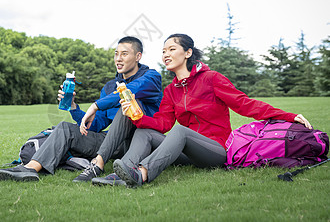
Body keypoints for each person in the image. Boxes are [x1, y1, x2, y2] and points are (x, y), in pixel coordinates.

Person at [112, 33, 312, 187]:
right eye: (164, 51)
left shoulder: (212, 79)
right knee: (144, 131)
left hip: (216, 151)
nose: (166, 54)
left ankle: (143, 173)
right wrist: (136, 116)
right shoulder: (171, 90)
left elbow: (245, 104)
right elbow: (163, 124)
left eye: (172, 49)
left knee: (181, 131)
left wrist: (290, 116)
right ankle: (123, 173)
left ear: (188, 52)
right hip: (186, 152)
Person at [0, 36, 162, 182]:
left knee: (126, 106)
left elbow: (131, 91)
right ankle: (30, 168)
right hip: (111, 142)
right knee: (65, 128)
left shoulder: (151, 77)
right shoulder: (110, 87)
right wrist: (73, 107)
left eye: (124, 54)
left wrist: (95, 105)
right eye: (116, 54)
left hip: (138, 141)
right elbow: (96, 125)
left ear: (138, 56)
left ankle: (97, 165)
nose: (118, 59)